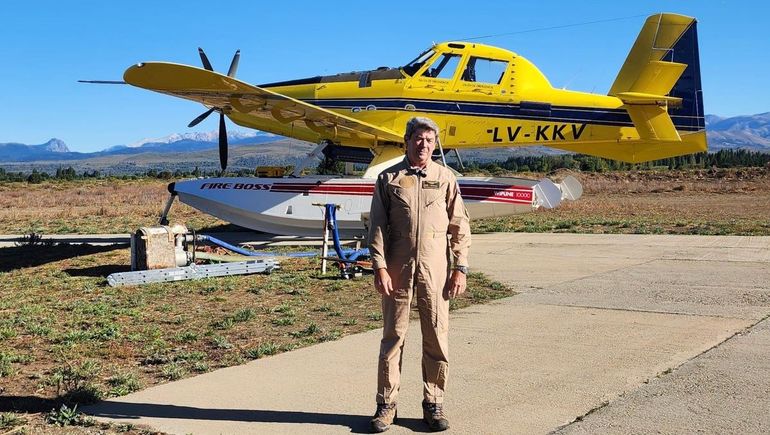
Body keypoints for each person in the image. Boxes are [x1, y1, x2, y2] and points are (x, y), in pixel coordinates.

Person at [367, 116, 471, 432]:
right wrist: (380, 267)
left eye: (429, 140)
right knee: (393, 337)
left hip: (436, 269)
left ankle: (434, 404)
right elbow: (377, 226)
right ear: (407, 142)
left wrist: (460, 268)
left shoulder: (445, 177)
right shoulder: (388, 178)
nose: (423, 145)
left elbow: (460, 225)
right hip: (398, 268)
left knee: (436, 338)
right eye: (418, 139)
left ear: (434, 144)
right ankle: (386, 406)